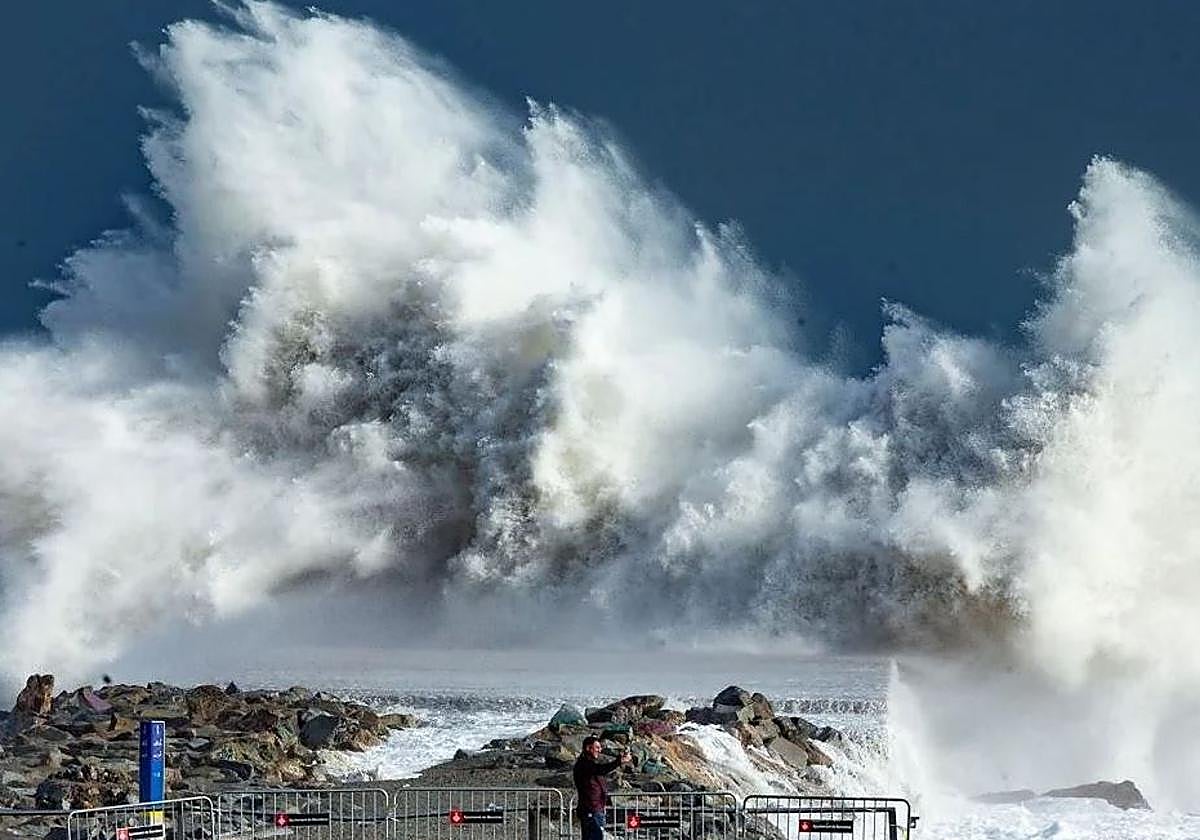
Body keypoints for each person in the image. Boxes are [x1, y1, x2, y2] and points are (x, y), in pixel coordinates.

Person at [573, 735, 632, 840]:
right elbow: (601, 769)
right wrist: (619, 761)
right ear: (588, 748)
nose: (600, 750)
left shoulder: (588, 764)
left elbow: (600, 769)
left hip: (595, 808)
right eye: (597, 747)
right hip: (590, 809)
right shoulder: (583, 764)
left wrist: (619, 759)